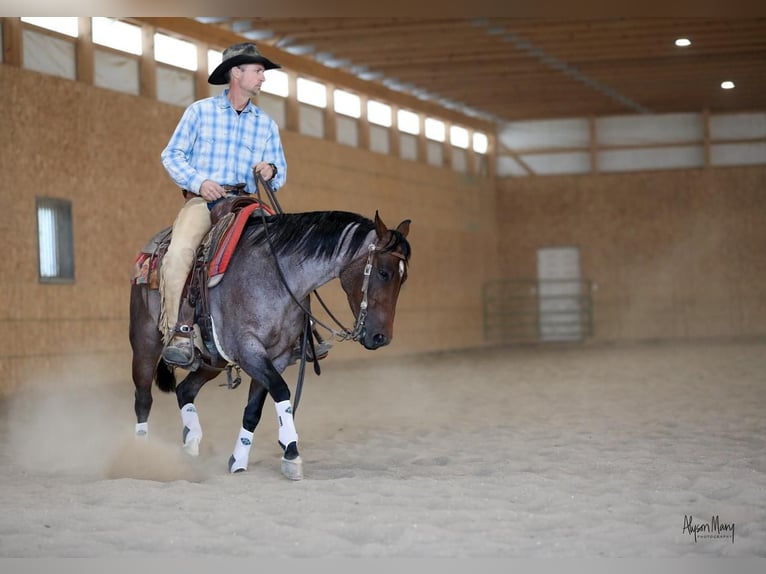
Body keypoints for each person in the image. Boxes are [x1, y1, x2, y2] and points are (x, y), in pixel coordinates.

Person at [158, 41, 330, 367]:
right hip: (205, 202)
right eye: (258, 71)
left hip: (247, 204)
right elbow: (172, 155)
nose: (263, 78)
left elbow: (279, 172)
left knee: (287, 252)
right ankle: (179, 332)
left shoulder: (265, 124)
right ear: (236, 73)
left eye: (262, 72)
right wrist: (199, 182)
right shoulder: (199, 112)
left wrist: (271, 170)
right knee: (179, 254)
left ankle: (299, 333)